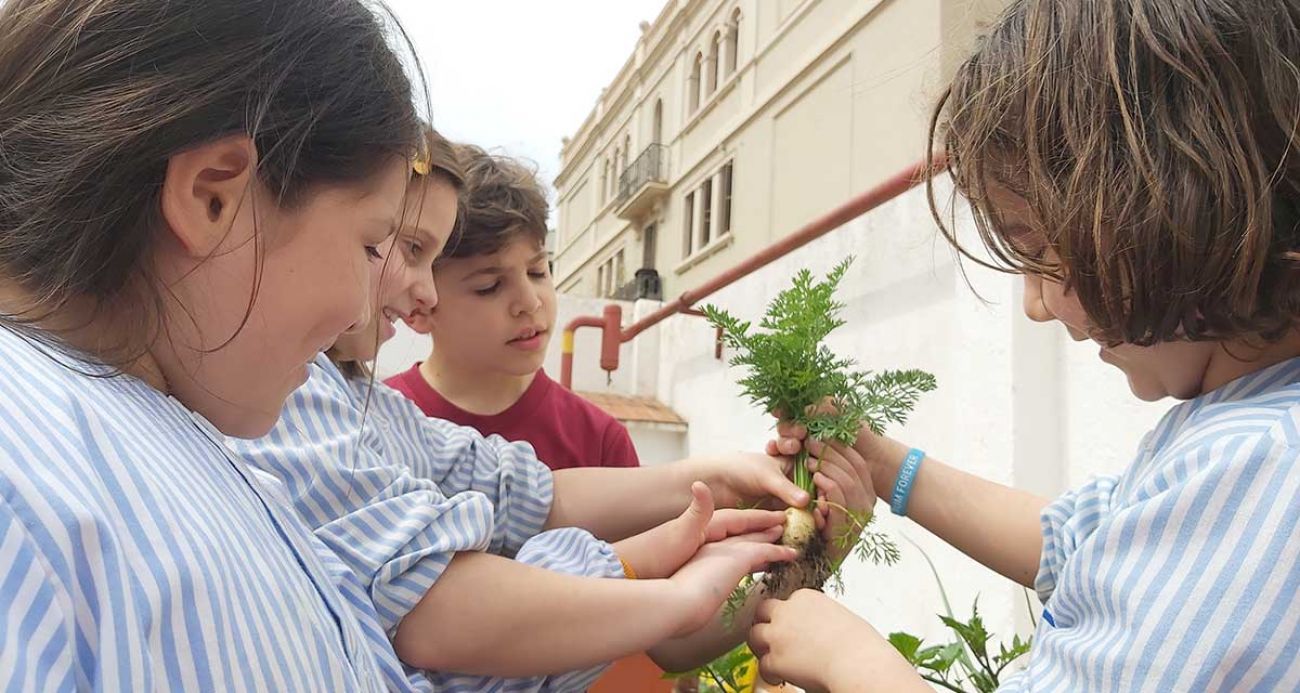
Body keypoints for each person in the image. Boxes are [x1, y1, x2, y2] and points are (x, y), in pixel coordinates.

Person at [749, 1, 1300, 690]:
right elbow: (1075, 541)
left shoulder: (1267, 468)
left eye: (1040, 251)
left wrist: (853, 664)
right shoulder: (1239, 424)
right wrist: (881, 460)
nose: (1036, 305)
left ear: (1179, 203)